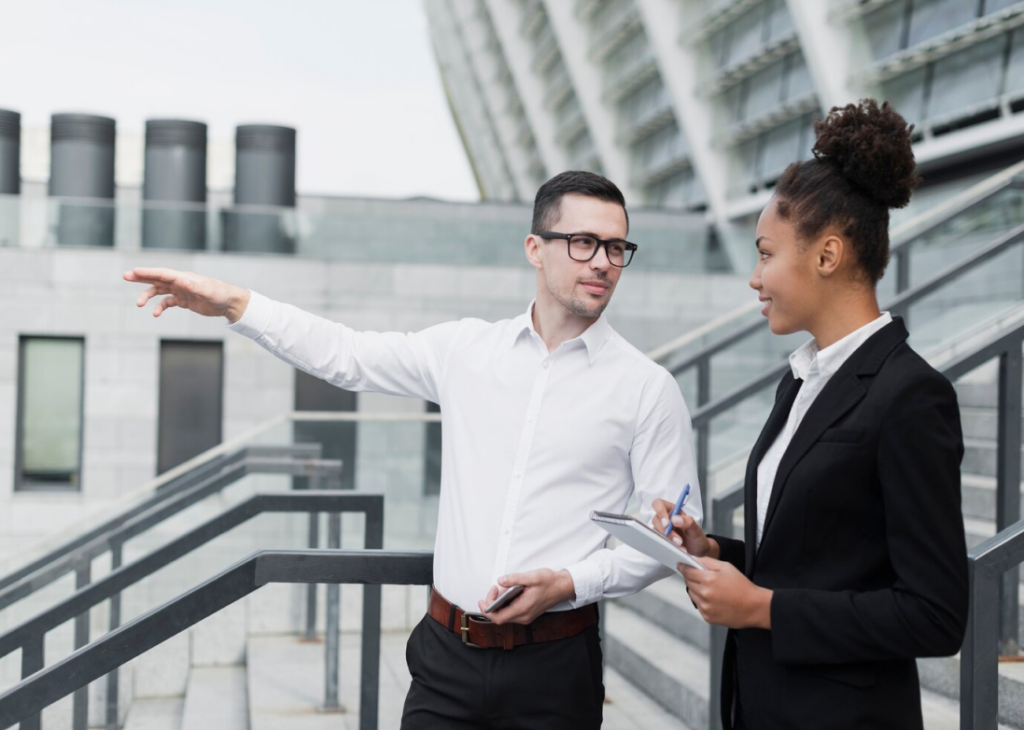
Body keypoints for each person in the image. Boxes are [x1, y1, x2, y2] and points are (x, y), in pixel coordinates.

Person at [125, 170, 702, 729]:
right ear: (535, 247)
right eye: (583, 243)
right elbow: (346, 355)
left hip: (556, 667)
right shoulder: (466, 351)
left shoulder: (647, 389)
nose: (603, 261)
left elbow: (670, 538)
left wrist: (570, 582)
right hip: (445, 661)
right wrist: (236, 305)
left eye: (616, 247)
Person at [654, 100, 969, 730]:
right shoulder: (800, 380)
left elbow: (934, 614)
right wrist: (713, 549)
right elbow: (814, 559)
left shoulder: (910, 395)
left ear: (827, 256)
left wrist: (763, 608)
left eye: (766, 254)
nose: (754, 278)